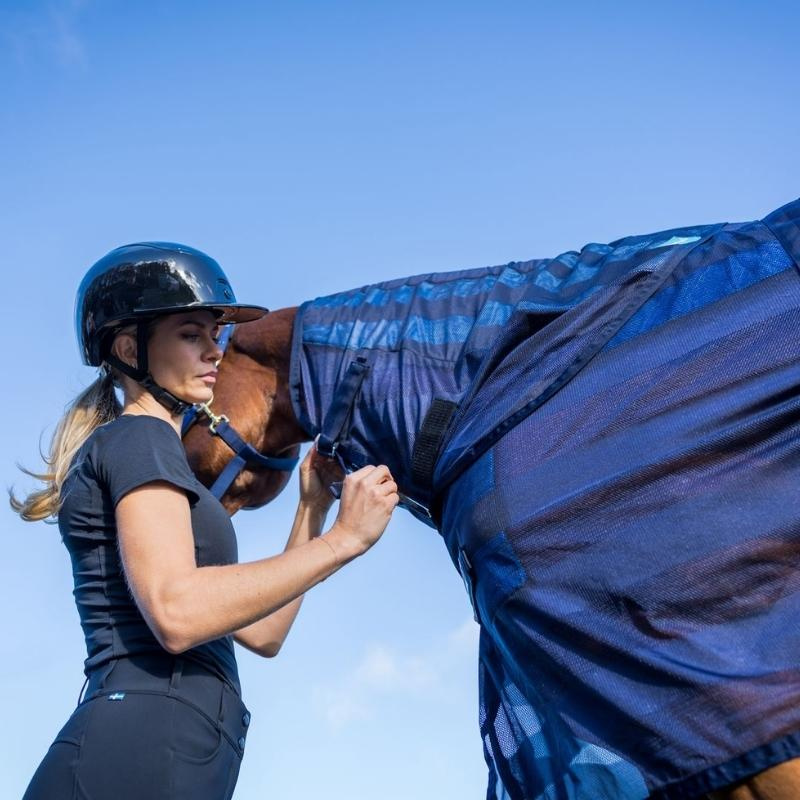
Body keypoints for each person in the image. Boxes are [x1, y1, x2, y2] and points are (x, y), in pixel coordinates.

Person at [11, 242, 399, 800]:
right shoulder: (140, 436)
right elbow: (176, 612)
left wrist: (311, 512)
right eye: (192, 335)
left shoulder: (156, 459)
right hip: (140, 746)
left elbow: (265, 634)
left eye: (215, 335)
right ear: (129, 347)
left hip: (166, 751)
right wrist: (344, 541)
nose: (215, 351)